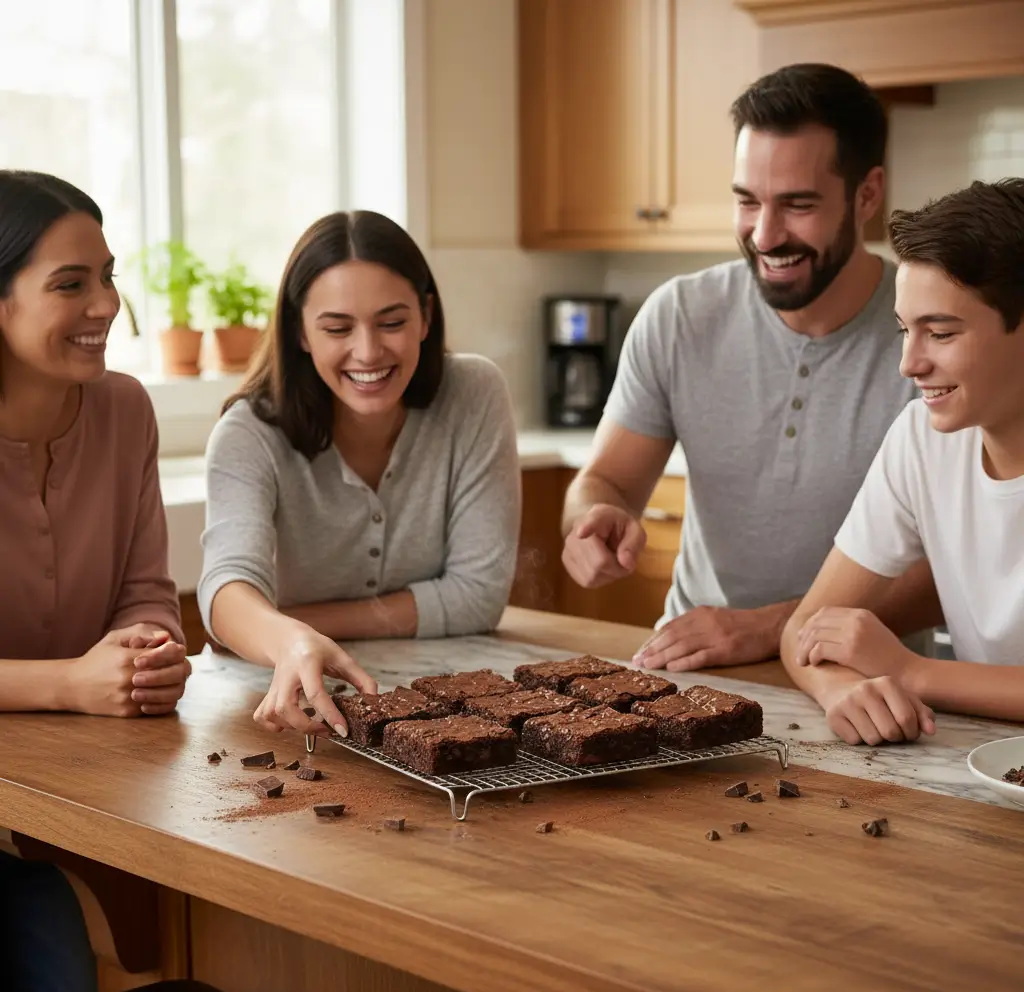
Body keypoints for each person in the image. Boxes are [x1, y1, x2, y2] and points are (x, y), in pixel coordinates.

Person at [561, 62, 939, 674]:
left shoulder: (933, 335)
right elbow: (606, 482)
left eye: (798, 204)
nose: (765, 235)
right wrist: (592, 519)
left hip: (868, 681)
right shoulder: (679, 316)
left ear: (868, 194)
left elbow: (951, 569)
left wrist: (769, 627)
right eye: (747, 201)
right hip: (695, 665)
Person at [199, 210, 521, 739]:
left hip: (453, 702)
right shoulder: (248, 432)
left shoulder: (475, 393)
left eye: (392, 322)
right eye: (337, 328)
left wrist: (303, 621)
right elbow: (226, 591)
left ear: (425, 316)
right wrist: (290, 641)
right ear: (300, 332)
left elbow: (477, 596)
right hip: (286, 707)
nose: (368, 351)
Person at [0, 170, 189, 992]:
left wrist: (146, 651)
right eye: (69, 284)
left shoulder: (124, 412)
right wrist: (73, 684)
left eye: (107, 276)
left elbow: (147, 591)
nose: (106, 304)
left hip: (48, 824)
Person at [781, 178, 1024, 745]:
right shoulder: (922, 438)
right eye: (904, 331)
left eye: (939, 333)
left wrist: (912, 671)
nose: (909, 364)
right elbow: (805, 629)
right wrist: (838, 688)